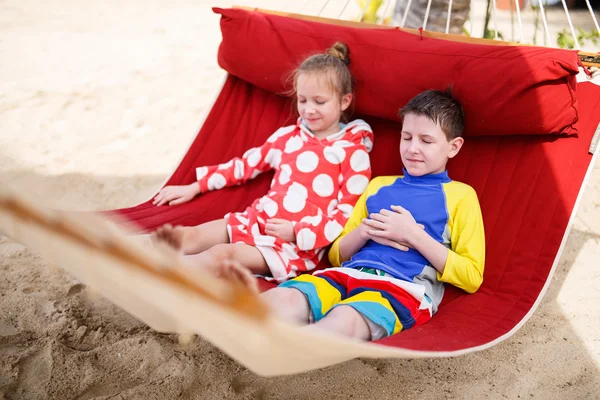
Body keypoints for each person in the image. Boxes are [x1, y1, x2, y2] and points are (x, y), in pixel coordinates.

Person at [238, 89, 485, 341]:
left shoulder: (461, 196)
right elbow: (337, 255)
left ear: (453, 147)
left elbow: (472, 276)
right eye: (407, 137)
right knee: (284, 298)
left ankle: (295, 350)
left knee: (345, 319)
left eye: (426, 141)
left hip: (402, 289)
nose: (412, 148)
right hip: (348, 274)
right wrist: (364, 231)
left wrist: (412, 235)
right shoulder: (379, 185)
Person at [151, 42, 374, 283]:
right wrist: (195, 186)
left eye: (319, 102)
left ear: (344, 101)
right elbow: (245, 165)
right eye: (302, 100)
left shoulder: (353, 152)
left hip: (292, 245)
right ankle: (117, 250)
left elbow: (345, 214)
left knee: (223, 253)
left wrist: (297, 232)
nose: (309, 110)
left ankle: (158, 277)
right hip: (255, 220)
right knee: (190, 235)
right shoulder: (287, 137)